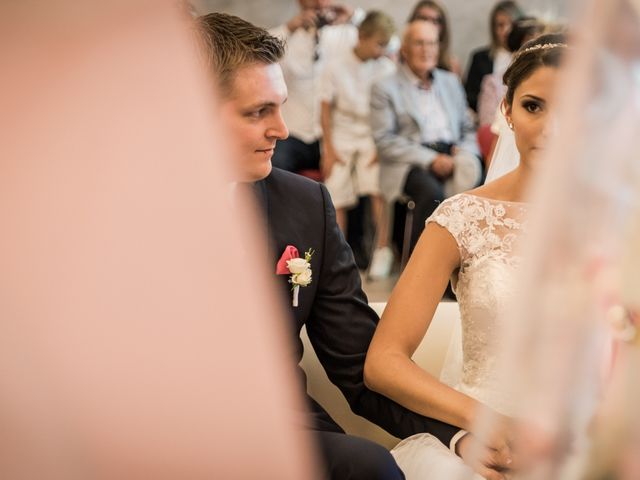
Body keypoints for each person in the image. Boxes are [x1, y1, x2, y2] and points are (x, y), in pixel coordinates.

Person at [197, 12, 470, 480]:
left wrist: (463, 436)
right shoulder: (114, 213)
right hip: (155, 434)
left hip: (281, 432)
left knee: (372, 468)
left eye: (281, 106)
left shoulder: (303, 204)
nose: (281, 130)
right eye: (258, 111)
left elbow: (359, 363)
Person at [364, 33, 567, 480]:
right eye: (534, 106)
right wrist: (482, 421)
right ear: (508, 111)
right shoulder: (462, 217)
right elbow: (384, 362)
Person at [370, 19, 482, 256]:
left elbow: (468, 128)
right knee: (433, 195)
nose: (426, 49)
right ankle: (422, 273)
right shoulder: (385, 87)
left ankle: (462, 269)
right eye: (419, 43)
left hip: (452, 153)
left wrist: (464, 152)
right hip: (411, 161)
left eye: (431, 43)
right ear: (405, 49)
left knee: (479, 189)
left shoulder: (450, 82)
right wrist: (431, 159)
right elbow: (384, 140)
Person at [319, 10, 396, 280]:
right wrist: (328, 148)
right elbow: (326, 108)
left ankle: (382, 250)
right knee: (336, 190)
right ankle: (338, 256)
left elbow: (388, 113)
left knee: (377, 187)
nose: (382, 50)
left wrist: (380, 146)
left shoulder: (386, 67)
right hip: (341, 133)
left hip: (372, 134)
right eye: (378, 43)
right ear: (361, 37)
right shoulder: (335, 66)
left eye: (385, 44)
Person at [268, 0, 362, 174]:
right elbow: (255, 53)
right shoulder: (285, 38)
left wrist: (354, 16)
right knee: (274, 170)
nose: (319, 3)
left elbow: (390, 45)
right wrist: (289, 27)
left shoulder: (345, 34)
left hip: (332, 135)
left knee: (357, 169)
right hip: (293, 133)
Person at [464, 1, 524, 113]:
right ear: (493, 29)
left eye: (511, 24)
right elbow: (470, 98)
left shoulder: (527, 57)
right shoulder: (480, 58)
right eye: (500, 25)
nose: (506, 30)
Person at [407, 0, 461, 76]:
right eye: (423, 19)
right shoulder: (398, 59)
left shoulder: (451, 64)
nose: (429, 25)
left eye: (435, 21)